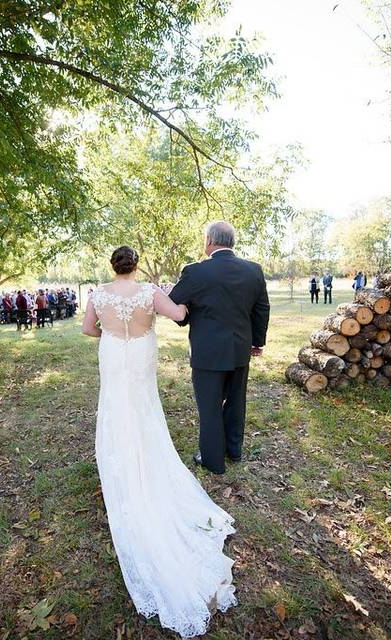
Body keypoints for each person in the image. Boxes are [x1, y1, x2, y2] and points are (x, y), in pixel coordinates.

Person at [82, 244, 236, 638]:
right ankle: (147, 458)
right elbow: (180, 314)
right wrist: (167, 299)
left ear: (112, 266)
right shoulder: (150, 292)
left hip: (114, 354)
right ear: (135, 266)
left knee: (118, 407)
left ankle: (120, 458)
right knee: (144, 407)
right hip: (141, 353)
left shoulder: (97, 294)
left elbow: (88, 330)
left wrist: (109, 332)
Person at [169, 221, 270, 475]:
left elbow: (174, 304)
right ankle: (233, 452)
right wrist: (257, 341)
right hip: (239, 349)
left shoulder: (195, 271)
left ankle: (213, 461)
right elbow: (262, 308)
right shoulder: (253, 270)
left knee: (210, 406)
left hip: (207, 352)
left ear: (209, 241)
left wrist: (186, 318)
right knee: (236, 401)